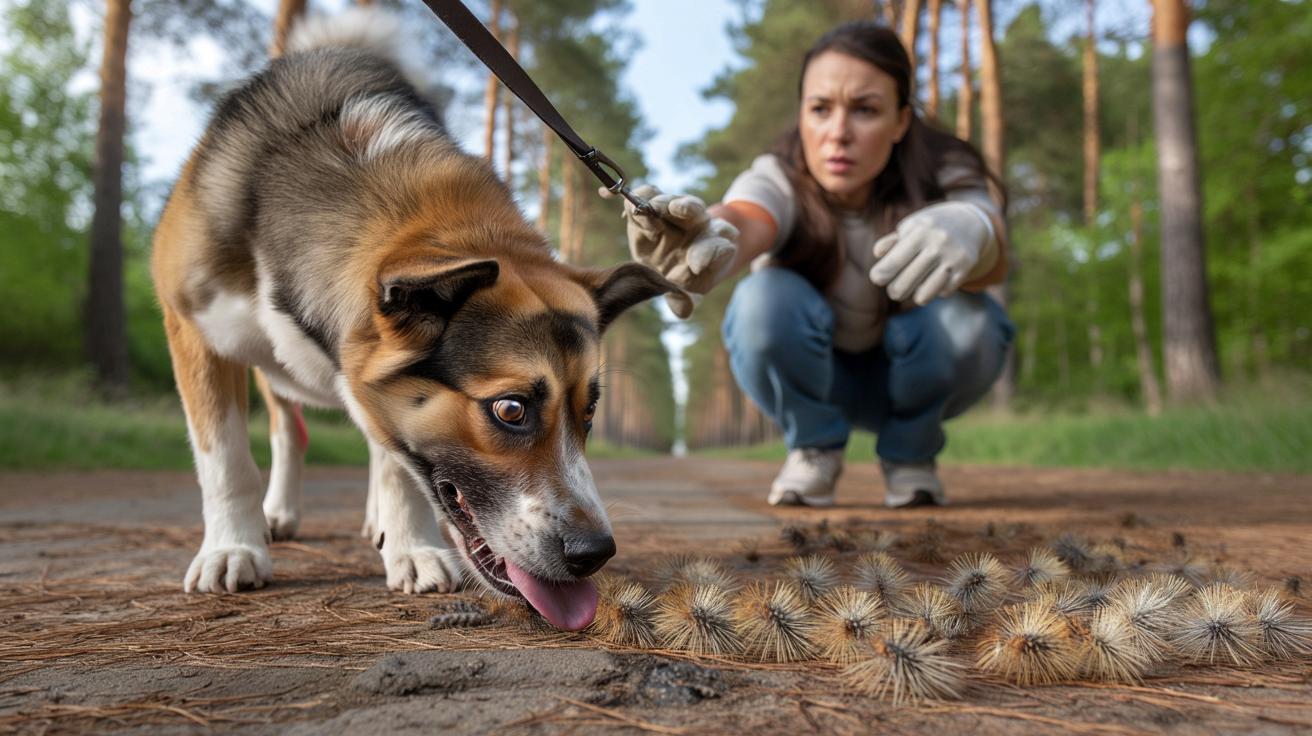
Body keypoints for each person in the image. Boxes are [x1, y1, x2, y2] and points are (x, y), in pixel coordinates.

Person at [621, 20, 1014, 508]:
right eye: (821, 109)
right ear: (802, 114)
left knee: (972, 319)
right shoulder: (778, 175)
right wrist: (702, 234)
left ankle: (911, 455)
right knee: (760, 300)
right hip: (816, 381)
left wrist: (973, 225)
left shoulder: (946, 169)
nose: (838, 133)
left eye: (865, 110)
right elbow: (746, 217)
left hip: (908, 376)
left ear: (900, 122)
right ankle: (813, 449)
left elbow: (995, 263)